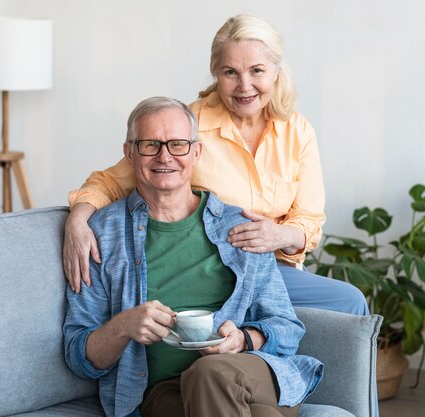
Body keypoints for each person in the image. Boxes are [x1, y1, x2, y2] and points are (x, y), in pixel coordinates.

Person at [64, 14, 369, 316]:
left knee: (349, 302)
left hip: (274, 268)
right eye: (230, 72)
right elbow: (111, 181)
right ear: (215, 74)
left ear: (276, 71)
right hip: (212, 265)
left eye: (257, 70)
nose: (244, 85)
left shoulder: (297, 130)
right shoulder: (189, 126)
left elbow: (309, 219)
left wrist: (281, 236)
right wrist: (77, 221)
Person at [63, 97, 323, 417]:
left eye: (178, 145)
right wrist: (122, 327)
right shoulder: (101, 237)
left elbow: (286, 327)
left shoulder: (241, 229)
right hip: (165, 394)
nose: (165, 156)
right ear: (129, 152)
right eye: (150, 145)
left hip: (248, 373)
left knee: (209, 372)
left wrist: (241, 340)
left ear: (196, 152)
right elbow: (78, 357)